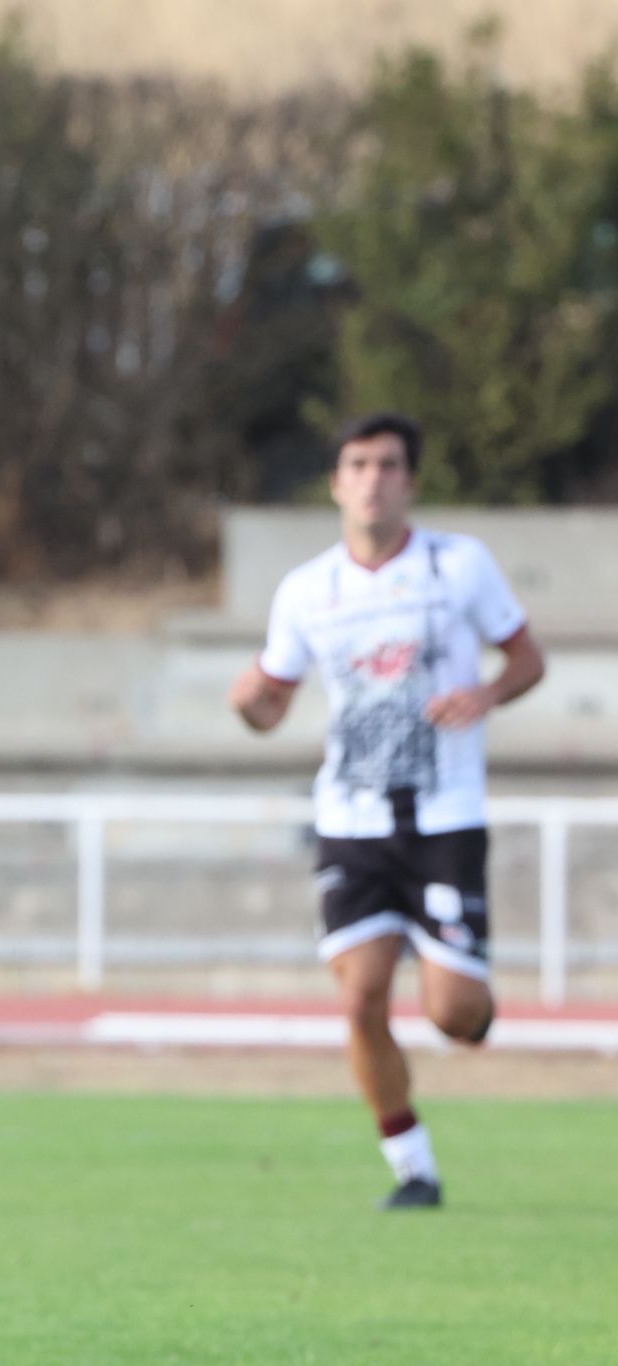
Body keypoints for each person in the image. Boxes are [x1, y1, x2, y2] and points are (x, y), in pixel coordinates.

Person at [229, 411, 545, 1209]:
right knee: (360, 996)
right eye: (358, 465)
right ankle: (413, 1167)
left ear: (410, 480)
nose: (373, 479)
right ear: (337, 483)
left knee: (454, 1016)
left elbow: (527, 659)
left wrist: (485, 692)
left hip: (443, 817)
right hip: (352, 821)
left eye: (389, 465)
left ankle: (466, 997)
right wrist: (248, 705)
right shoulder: (307, 590)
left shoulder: (458, 566)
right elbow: (272, 704)